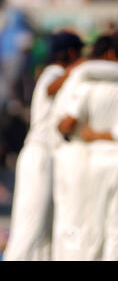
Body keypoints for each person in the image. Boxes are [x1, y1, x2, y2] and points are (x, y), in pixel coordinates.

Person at [51, 33, 118, 260]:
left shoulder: (90, 85)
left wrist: (96, 134)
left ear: (111, 53)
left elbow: (67, 123)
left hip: (95, 161)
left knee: (92, 226)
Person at [3, 31, 83, 261]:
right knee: (30, 228)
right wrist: (80, 68)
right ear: (70, 52)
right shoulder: (54, 72)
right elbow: (51, 87)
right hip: (40, 155)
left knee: (47, 233)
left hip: (49, 157)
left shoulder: (59, 74)